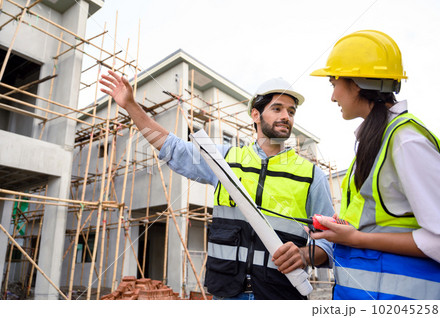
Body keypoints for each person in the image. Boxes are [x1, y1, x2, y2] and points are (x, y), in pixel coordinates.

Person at [100, 72, 335, 299]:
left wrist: (305, 255)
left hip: (281, 296)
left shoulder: (311, 175)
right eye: (277, 108)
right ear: (256, 114)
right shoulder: (226, 159)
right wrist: (131, 105)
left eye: (291, 111)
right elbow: (173, 148)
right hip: (228, 295)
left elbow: (329, 242)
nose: (286, 116)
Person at [309, 30, 440, 300]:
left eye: (333, 83)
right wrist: (342, 229)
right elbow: (382, 221)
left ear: (358, 83)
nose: (333, 96)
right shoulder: (377, 141)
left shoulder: (405, 142)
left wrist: (356, 239)